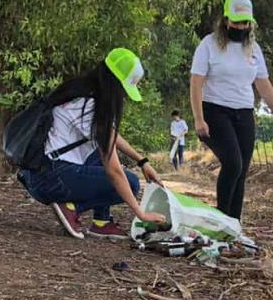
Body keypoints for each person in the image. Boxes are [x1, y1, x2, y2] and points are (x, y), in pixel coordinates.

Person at [19, 48, 165, 240]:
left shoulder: (80, 91)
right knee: (131, 182)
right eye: (123, 90)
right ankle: (71, 208)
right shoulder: (91, 107)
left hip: (38, 172)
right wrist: (141, 213)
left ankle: (101, 223)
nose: (123, 96)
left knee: (100, 153)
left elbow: (111, 137)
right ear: (115, 83)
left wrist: (142, 161)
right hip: (50, 177)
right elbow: (113, 171)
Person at [190, 0, 273, 221]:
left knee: (242, 170)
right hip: (214, 110)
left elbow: (263, 83)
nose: (240, 27)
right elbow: (196, 81)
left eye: (245, 23)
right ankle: (221, 219)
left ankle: (234, 224)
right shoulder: (209, 44)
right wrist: (198, 118)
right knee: (232, 163)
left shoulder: (253, 49)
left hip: (244, 113)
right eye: (236, 22)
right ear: (225, 20)